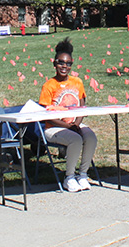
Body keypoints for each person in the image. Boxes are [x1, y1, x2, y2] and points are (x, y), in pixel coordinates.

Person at [39, 37, 97, 192]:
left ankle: (83, 174)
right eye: (60, 62)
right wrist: (68, 127)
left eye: (68, 63)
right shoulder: (48, 86)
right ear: (54, 63)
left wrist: (76, 124)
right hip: (54, 127)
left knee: (91, 137)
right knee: (76, 140)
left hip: (74, 124)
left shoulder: (77, 82)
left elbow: (82, 105)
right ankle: (69, 177)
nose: (64, 66)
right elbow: (45, 114)